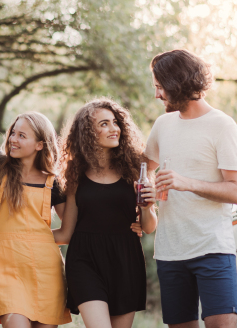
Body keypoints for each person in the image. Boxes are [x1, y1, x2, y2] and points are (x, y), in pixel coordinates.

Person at [144, 49, 237, 328]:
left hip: (212, 249)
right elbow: (142, 169)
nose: (157, 95)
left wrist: (186, 183)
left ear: (176, 83)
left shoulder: (222, 125)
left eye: (159, 87)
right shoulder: (163, 125)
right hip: (169, 252)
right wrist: (142, 201)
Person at [54, 98, 158, 328]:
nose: (114, 129)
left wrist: (147, 207)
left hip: (125, 258)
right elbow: (67, 232)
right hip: (84, 259)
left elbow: (149, 227)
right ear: (87, 133)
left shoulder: (134, 168)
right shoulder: (75, 172)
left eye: (115, 122)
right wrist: (21, 235)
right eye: (104, 124)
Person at [0, 112, 72, 328]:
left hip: (47, 272)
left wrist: (33, 239)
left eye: (22, 136)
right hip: (9, 268)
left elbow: (66, 233)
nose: (13, 140)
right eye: (12, 134)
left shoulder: (55, 183)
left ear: (39, 145)